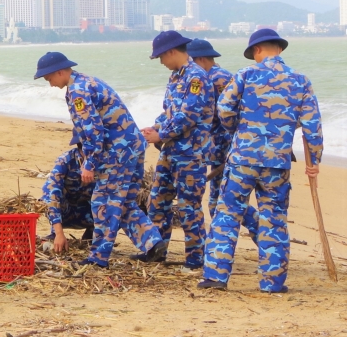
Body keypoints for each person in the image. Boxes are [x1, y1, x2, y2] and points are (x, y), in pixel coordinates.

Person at [200, 29, 323, 293]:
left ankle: (216, 277)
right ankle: (272, 282)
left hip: (242, 159)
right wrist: (314, 161)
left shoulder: (245, 75)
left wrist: (238, 130)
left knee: (228, 214)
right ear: (279, 49)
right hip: (277, 163)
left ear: (257, 50)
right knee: (274, 218)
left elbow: (224, 108)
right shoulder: (301, 80)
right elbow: (313, 126)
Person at [35, 51, 166, 267]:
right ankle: (153, 244)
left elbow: (93, 131)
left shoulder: (78, 91)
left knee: (103, 201)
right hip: (133, 147)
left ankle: (98, 257)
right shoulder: (88, 81)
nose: (50, 84)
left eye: (49, 79)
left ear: (59, 72)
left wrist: (89, 163)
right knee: (122, 202)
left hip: (116, 152)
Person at [141, 31, 212, 269]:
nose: (161, 62)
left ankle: (195, 260)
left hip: (190, 154)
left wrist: (162, 134)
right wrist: (155, 127)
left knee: (189, 206)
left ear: (172, 52)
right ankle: (156, 251)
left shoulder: (196, 77)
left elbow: (188, 115)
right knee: (158, 200)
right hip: (170, 151)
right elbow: (169, 112)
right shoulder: (175, 77)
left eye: (161, 56)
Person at [188, 39, 250, 228]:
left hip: (225, 142)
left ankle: (221, 232)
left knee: (221, 194)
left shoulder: (220, 78)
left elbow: (229, 112)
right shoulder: (203, 76)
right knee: (218, 192)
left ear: (200, 59)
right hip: (214, 144)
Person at [41, 139, 96, 250]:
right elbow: (51, 195)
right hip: (66, 212)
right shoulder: (65, 160)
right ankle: (55, 233)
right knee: (48, 197)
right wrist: (59, 233)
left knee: (122, 202)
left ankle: (93, 235)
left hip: (91, 213)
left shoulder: (105, 162)